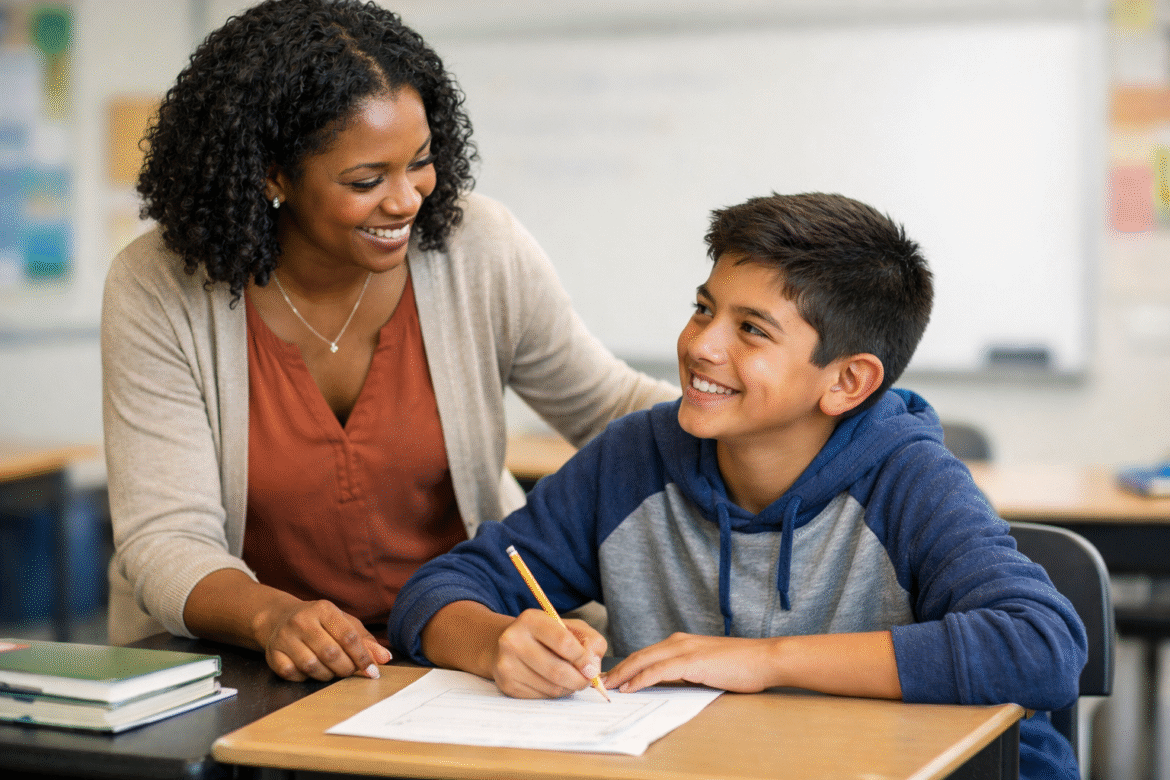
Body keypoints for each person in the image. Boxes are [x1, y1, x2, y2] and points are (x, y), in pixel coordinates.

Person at [387, 192, 1088, 780]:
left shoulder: (906, 478)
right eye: (703, 308)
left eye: (750, 330)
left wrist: (763, 661)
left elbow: (1041, 647)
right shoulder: (637, 455)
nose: (701, 345)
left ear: (847, 381)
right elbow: (439, 591)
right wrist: (496, 643)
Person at [101, 0, 676, 683]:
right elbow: (167, 539)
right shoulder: (159, 285)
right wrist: (272, 617)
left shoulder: (477, 248)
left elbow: (613, 408)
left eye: (421, 163)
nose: (407, 200)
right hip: (240, 663)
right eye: (367, 180)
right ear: (272, 174)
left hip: (458, 649)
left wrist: (766, 418)